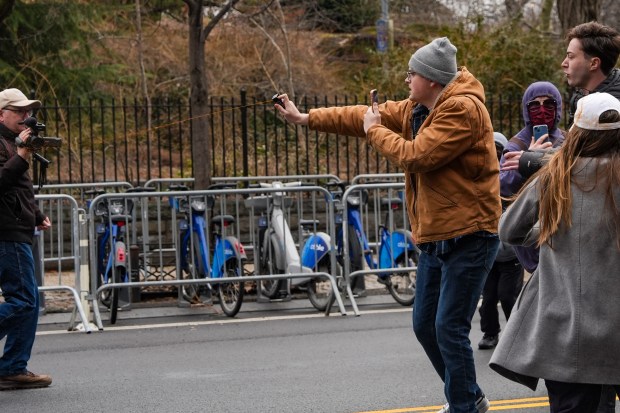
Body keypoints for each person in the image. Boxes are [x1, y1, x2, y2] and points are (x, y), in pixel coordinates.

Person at [275, 37, 501, 413]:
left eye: (412, 73)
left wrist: (374, 131)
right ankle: (469, 396)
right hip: (435, 235)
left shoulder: (462, 110)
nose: (406, 78)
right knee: (425, 324)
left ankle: (464, 405)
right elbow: (360, 114)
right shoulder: (419, 106)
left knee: (449, 327)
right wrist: (306, 118)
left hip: (470, 234)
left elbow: (417, 155)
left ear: (430, 78)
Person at [490, 92, 620, 412]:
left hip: (565, 333)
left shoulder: (556, 175)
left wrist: (550, 233)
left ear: (576, 130)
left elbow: (508, 231)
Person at [0, 88, 52, 390]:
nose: (25, 117)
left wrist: (35, 213)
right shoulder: (8, 145)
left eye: (27, 111)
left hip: (16, 229)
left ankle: (12, 367)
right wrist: (21, 154)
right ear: (1, 114)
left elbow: (17, 188)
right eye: (18, 111)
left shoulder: (12, 142)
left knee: (29, 303)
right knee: (23, 302)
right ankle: (11, 366)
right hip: (6, 234)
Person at [499, 81, 565, 274]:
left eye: (549, 104)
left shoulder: (567, 139)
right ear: (527, 109)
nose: (542, 110)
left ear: (558, 107)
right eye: (535, 105)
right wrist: (527, 159)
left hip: (561, 223)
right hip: (531, 226)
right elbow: (502, 186)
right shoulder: (516, 145)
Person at [477, 132, 524, 350]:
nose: (494, 156)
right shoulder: (479, 177)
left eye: (499, 152)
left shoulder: (512, 178)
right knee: (488, 299)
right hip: (489, 253)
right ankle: (490, 333)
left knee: (507, 296)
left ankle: (517, 334)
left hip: (511, 253)